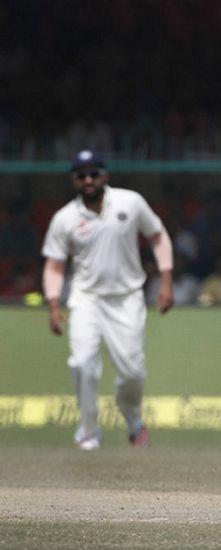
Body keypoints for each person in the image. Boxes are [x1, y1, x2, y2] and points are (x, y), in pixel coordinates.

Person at [41, 150, 174, 450]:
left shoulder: (130, 202)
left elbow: (157, 235)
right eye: (81, 175)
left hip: (127, 298)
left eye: (93, 173)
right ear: (74, 180)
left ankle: (132, 419)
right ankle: (88, 432)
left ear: (105, 175)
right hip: (86, 299)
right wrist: (52, 304)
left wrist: (166, 281)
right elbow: (54, 265)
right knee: (82, 364)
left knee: (132, 373)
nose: (88, 180)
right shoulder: (65, 219)